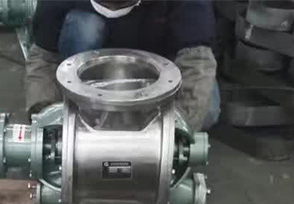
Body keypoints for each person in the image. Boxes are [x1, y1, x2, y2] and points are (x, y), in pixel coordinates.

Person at [25, 0, 220, 131]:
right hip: (90, 61)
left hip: (161, 61)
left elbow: (197, 59)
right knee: (85, 26)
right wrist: (45, 115)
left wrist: (178, 130)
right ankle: (78, 111)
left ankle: (146, 120)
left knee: (207, 110)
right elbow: (44, 58)